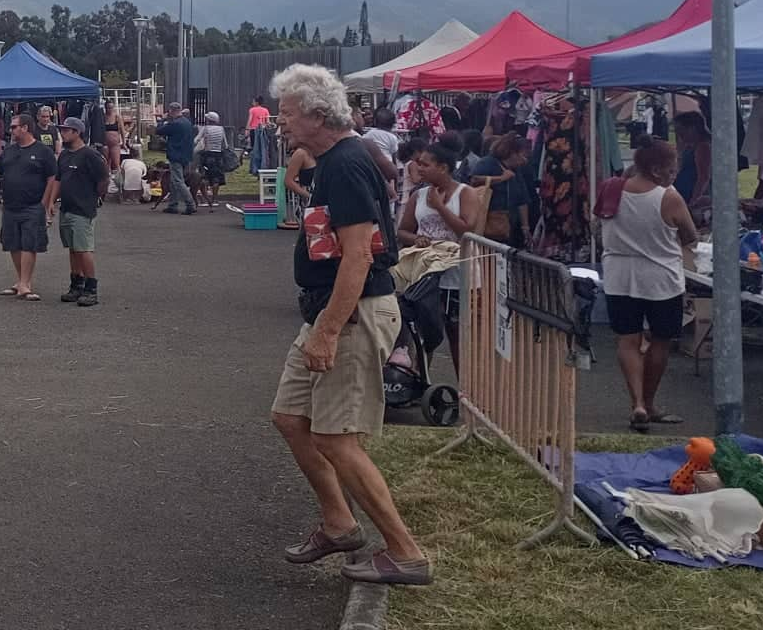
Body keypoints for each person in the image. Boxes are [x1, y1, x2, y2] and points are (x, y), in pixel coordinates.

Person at [267, 64, 429, 587]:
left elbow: (359, 256)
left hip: (351, 313)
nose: (280, 123)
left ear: (317, 115)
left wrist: (329, 331)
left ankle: (406, 553)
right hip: (329, 308)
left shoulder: (346, 164)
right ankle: (339, 523)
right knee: (291, 418)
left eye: (287, 114)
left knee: (338, 439)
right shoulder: (334, 161)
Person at [597, 139, 700, 434]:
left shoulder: (610, 188)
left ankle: (637, 402)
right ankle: (651, 402)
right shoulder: (669, 196)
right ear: (656, 169)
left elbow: (597, 225)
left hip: (619, 274)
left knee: (627, 340)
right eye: (671, 168)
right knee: (660, 340)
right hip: (661, 277)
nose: (674, 173)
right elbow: (690, 235)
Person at [0, 112, 58, 300]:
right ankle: (21, 281)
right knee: (13, 243)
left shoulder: (43, 151)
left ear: (25, 128)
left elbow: (52, 178)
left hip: (33, 205)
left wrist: (47, 202)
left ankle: (26, 284)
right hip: (11, 205)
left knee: (30, 244)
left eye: (14, 127)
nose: (11, 130)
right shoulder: (10, 150)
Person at [56, 118, 111, 307]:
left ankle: (91, 288)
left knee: (84, 248)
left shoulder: (89, 155)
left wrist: (96, 197)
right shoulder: (64, 155)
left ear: (77, 132)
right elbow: (58, 180)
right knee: (73, 248)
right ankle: (76, 284)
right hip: (67, 207)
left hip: (83, 208)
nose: (62, 133)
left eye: (66, 130)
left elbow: (104, 178)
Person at [469, 135, 531, 243]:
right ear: (512, 153)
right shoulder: (488, 163)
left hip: (508, 225)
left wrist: (525, 227)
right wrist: (501, 178)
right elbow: (474, 180)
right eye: (523, 156)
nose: (524, 161)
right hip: (488, 221)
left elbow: (522, 199)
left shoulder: (516, 171)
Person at [158, 104, 197, 216]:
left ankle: (190, 204)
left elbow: (159, 131)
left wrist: (162, 119)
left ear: (171, 111)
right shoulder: (187, 122)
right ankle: (172, 205)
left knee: (178, 181)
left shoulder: (175, 124)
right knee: (174, 181)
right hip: (186, 155)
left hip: (176, 154)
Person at [672, 110, 712, 213]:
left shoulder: (703, 146)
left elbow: (704, 177)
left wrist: (694, 201)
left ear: (693, 128)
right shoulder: (690, 145)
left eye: (681, 130)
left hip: (693, 195)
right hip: (685, 192)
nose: (679, 134)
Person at [195, 111, 229, 209]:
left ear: (209, 120)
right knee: (216, 178)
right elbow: (225, 145)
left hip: (207, 155)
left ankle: (206, 200)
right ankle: (214, 199)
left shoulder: (205, 129)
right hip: (218, 156)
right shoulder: (221, 129)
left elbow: (196, 139)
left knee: (204, 177)